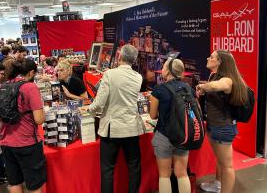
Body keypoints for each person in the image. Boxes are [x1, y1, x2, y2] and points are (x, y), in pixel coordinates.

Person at [86, 44, 144, 193]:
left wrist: (89, 110)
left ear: (120, 56)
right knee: (134, 166)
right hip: (131, 128)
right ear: (134, 60)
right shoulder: (138, 77)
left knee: (107, 170)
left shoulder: (110, 75)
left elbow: (99, 103)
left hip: (112, 129)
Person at [196, 50, 247, 193]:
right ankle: (218, 184)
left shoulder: (228, 79)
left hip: (223, 127)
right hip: (214, 126)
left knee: (227, 166)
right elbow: (213, 87)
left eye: (211, 57)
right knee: (220, 159)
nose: (208, 58)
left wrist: (203, 87)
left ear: (219, 62)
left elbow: (218, 86)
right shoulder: (214, 75)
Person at [0, 59, 47, 193]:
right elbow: (39, 119)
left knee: (15, 182)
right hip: (28, 143)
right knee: (35, 185)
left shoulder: (0, 88)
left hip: (6, 143)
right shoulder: (30, 87)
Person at [149, 58, 191, 193]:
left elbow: (152, 115)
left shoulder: (159, 89)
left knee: (164, 175)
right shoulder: (188, 88)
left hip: (164, 135)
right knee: (182, 174)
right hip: (183, 135)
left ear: (167, 71)